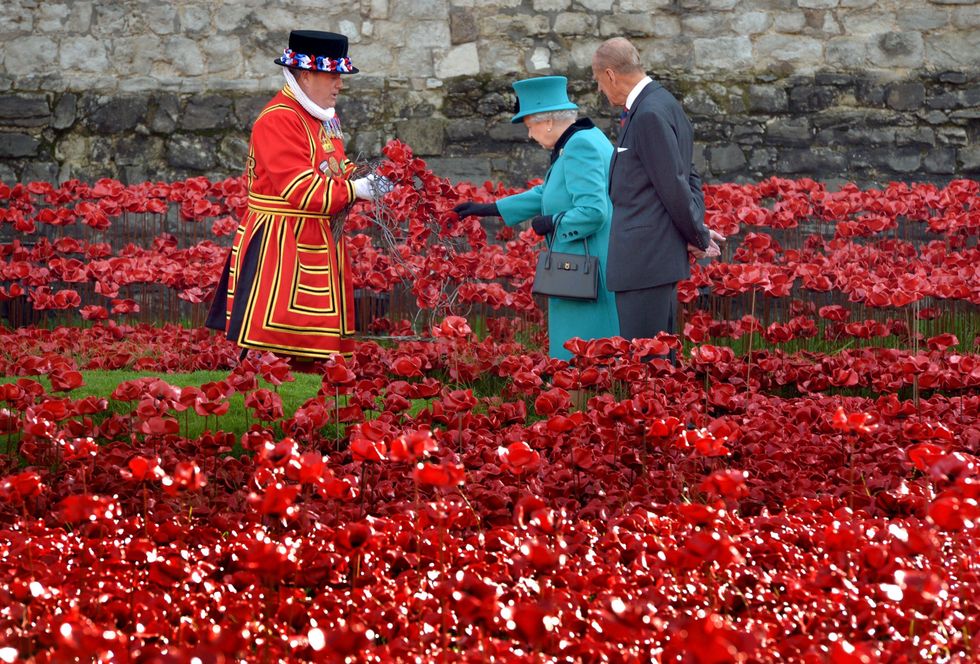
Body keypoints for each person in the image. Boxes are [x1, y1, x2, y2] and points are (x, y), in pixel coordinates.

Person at [206, 30, 390, 362]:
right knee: (274, 340)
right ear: (305, 75)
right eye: (332, 75)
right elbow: (298, 187)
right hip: (281, 242)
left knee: (314, 338)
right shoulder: (278, 119)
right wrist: (355, 190)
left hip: (314, 235)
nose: (340, 84)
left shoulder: (323, 116)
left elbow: (335, 164)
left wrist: (368, 177)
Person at [454, 76, 619, 361]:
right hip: (589, 266)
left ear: (548, 122)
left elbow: (594, 211)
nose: (530, 135)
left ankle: (580, 402)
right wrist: (489, 208)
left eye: (530, 126)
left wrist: (554, 222)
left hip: (585, 271)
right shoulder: (584, 138)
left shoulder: (580, 147)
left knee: (582, 350)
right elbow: (549, 192)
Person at [591, 37, 723, 345]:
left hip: (644, 262)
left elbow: (674, 184)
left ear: (610, 75)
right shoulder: (664, 103)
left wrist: (697, 236)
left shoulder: (649, 112)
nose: (600, 89)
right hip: (653, 260)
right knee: (657, 364)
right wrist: (694, 231)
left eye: (599, 81)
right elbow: (685, 174)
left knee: (646, 365)